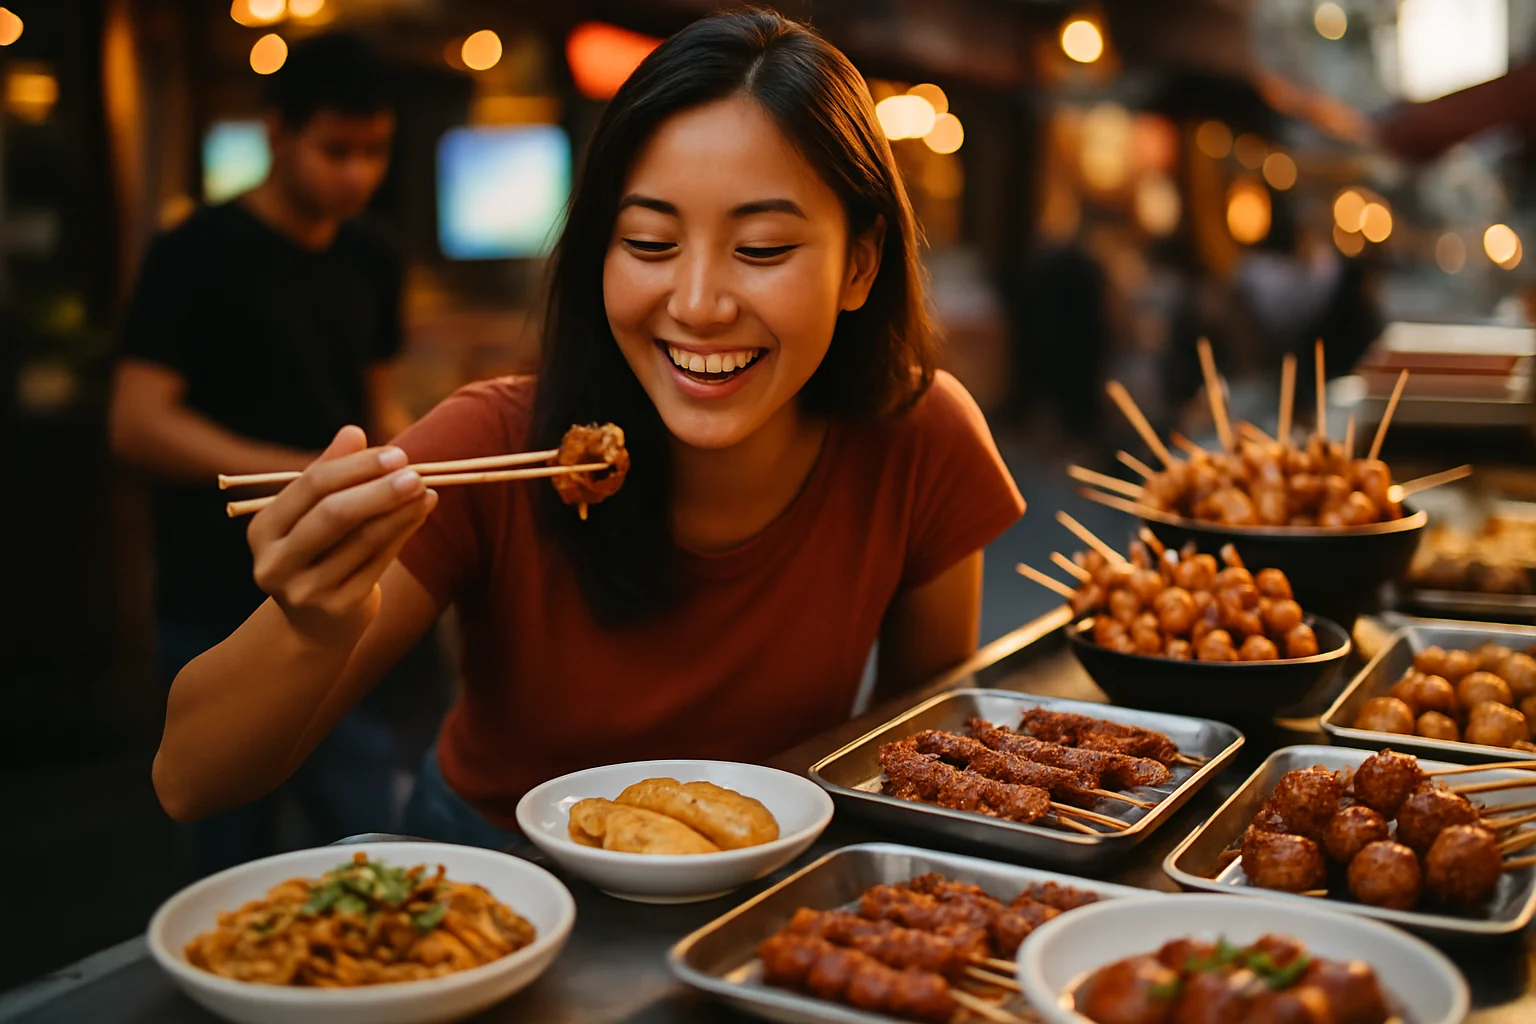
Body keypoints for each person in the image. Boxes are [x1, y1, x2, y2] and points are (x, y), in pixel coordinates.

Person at [150, 11, 1025, 849]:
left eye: (761, 250)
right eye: (648, 243)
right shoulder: (490, 446)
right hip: (494, 873)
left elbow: (919, 761)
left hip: (764, 879)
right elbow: (191, 781)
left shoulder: (920, 437)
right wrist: (311, 621)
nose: (697, 306)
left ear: (860, 264)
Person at [111, 34, 420, 870]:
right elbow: (136, 419)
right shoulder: (194, 251)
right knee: (228, 841)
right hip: (214, 588)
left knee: (369, 837)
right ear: (276, 132)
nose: (357, 174)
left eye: (375, 152)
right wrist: (298, 473)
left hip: (342, 584)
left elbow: (375, 400)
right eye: (336, 150)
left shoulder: (373, 254)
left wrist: (406, 457)